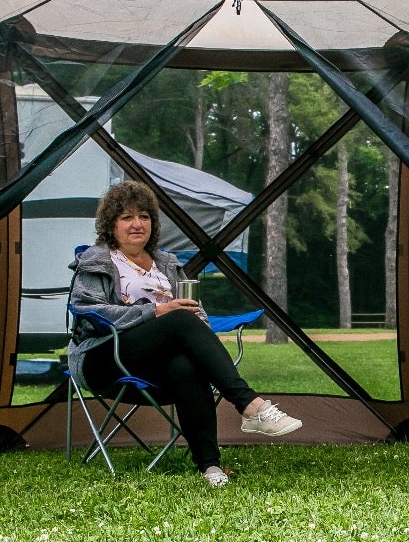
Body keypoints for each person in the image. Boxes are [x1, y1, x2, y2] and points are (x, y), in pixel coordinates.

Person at [70, 180, 302, 488]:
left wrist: (197, 330)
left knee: (186, 364)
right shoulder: (96, 261)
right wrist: (153, 312)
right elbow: (88, 312)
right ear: (110, 225)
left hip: (158, 361)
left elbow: (196, 310)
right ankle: (249, 404)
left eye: (144, 216)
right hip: (105, 356)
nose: (137, 224)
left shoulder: (167, 263)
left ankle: (210, 466)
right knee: (178, 317)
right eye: (126, 217)